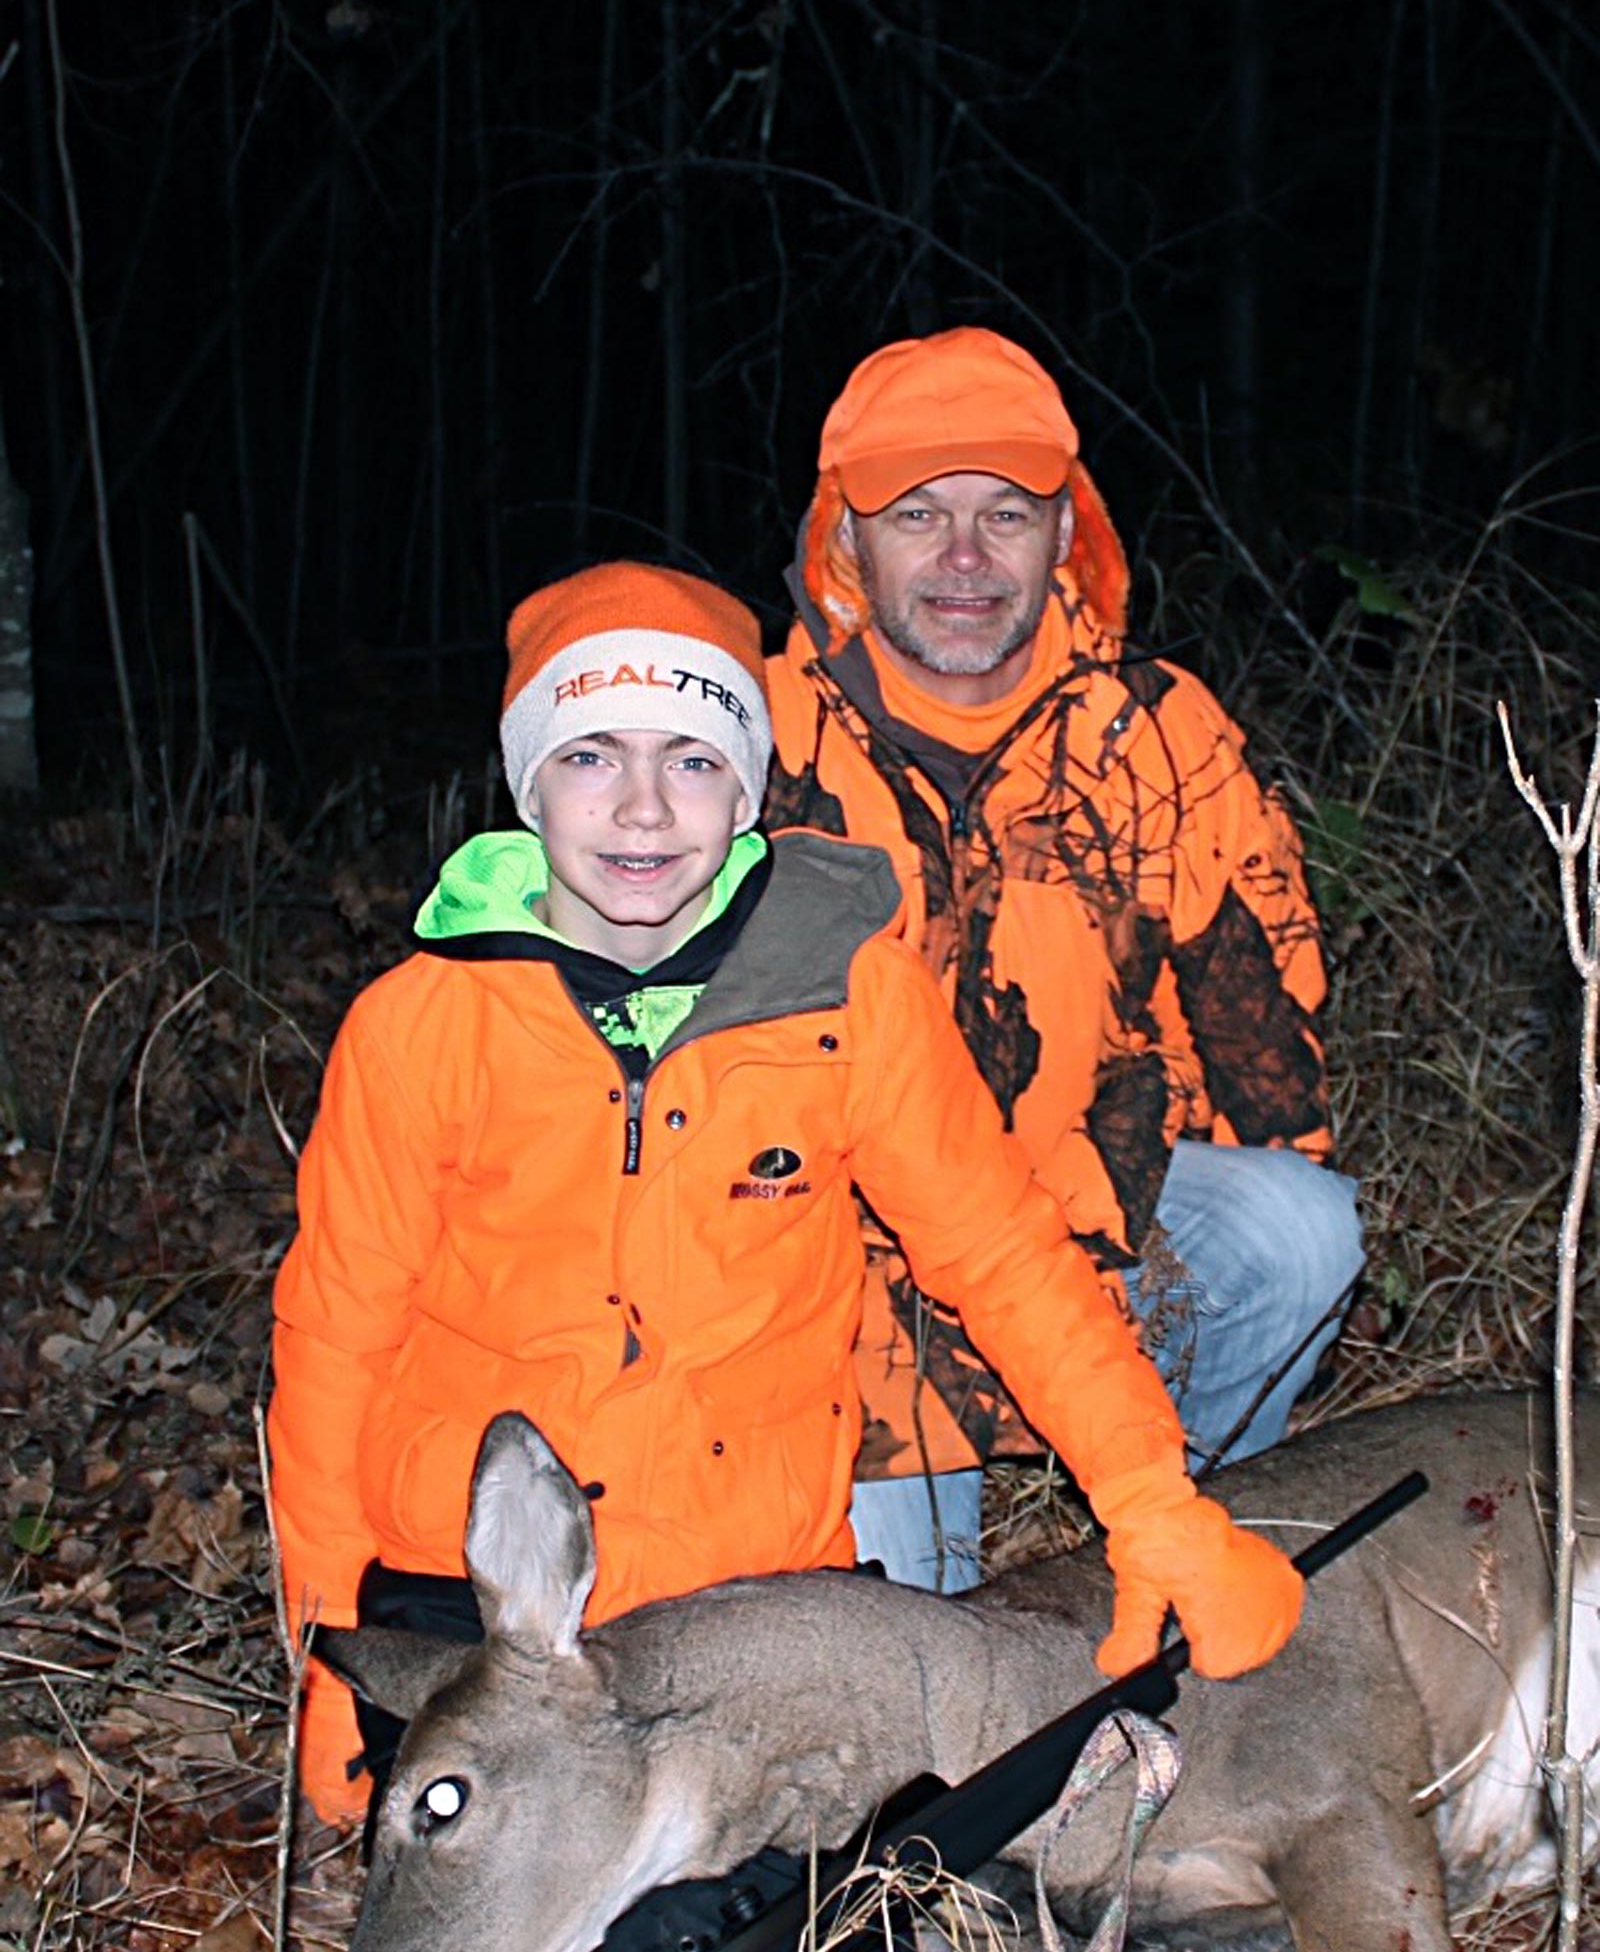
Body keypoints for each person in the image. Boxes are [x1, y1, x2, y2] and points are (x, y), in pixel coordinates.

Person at [269, 561, 1304, 1827]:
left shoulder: (851, 1000)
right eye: (592, 754)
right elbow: (335, 1340)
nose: (644, 811)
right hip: (481, 1586)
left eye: (695, 761)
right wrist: (326, 1637)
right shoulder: (420, 1027)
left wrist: (1153, 1504)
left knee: (820, 1917)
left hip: (742, 1580)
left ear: (750, 787)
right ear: (526, 782)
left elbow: (1002, 1257)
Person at [765, 327, 1363, 1592]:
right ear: (846, 545)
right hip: (842, 1293)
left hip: (1086, 1226)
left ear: (1067, 533)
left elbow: (1269, 1040)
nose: (966, 558)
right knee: (905, 1697)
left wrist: (1127, 1322)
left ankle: (1176, 1514)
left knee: (1302, 1231)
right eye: (917, 514)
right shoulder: (750, 744)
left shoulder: (1159, 734)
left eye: (1008, 514)